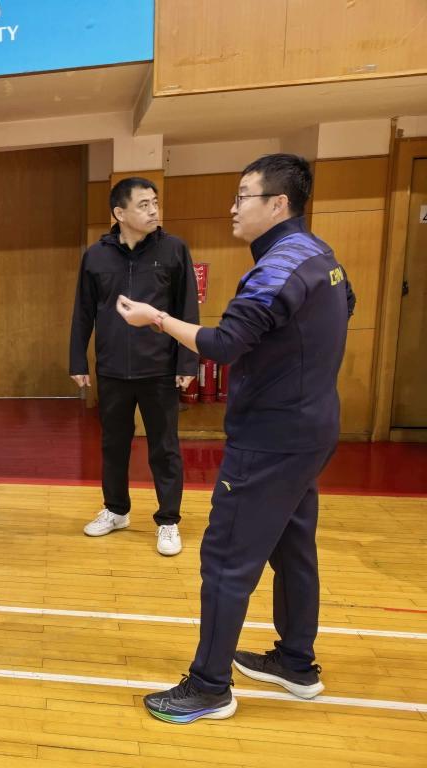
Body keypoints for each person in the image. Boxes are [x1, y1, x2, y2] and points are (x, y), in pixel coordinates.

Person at [115, 154, 355, 723]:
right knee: (293, 546)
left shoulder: (279, 265)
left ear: (278, 204)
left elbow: (223, 345)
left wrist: (156, 318)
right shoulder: (320, 254)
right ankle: (295, 662)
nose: (233, 207)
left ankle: (208, 687)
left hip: (271, 436)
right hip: (311, 426)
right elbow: (345, 307)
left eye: (244, 196)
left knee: (225, 559)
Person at [69, 177, 199, 557]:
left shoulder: (173, 249)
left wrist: (187, 360)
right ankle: (116, 510)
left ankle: (168, 520)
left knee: (164, 448)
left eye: (155, 202)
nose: (154, 210)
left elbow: (187, 307)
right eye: (144, 204)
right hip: (112, 369)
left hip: (160, 368)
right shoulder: (96, 256)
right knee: (113, 445)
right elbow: (83, 311)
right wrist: (78, 359)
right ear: (119, 213)